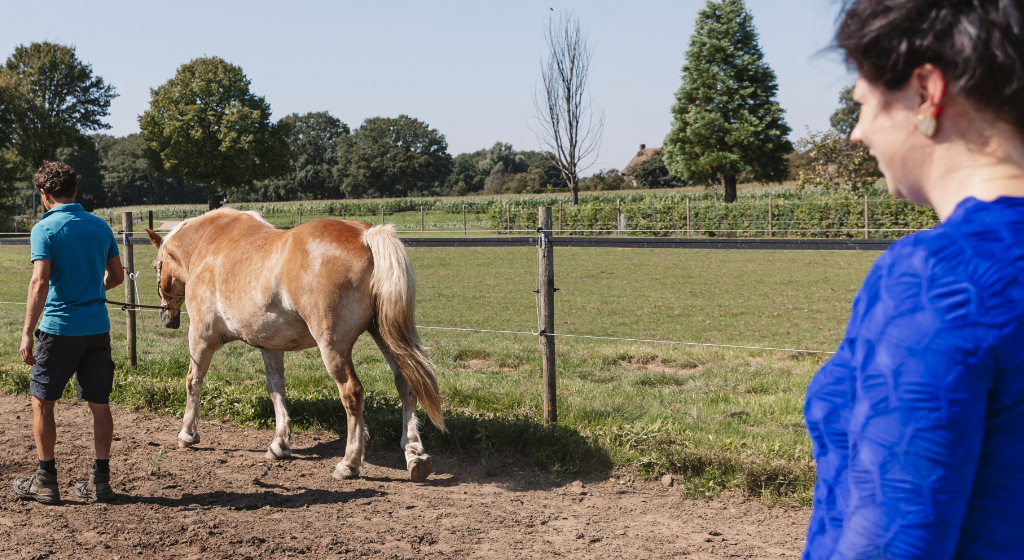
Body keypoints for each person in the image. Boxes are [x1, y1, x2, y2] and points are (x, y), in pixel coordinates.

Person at [803, 1, 1024, 558]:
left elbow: (892, 539)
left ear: (926, 91)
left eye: (864, 103)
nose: (858, 133)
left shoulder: (941, 280)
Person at [12, 161, 124, 505]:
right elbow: (116, 277)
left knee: (43, 403)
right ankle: (100, 482)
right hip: (96, 330)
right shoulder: (100, 226)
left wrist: (27, 332)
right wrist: (93, 288)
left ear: (45, 195)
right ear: (74, 191)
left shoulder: (44, 229)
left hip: (58, 330)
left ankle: (46, 481)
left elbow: (40, 282)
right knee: (100, 405)